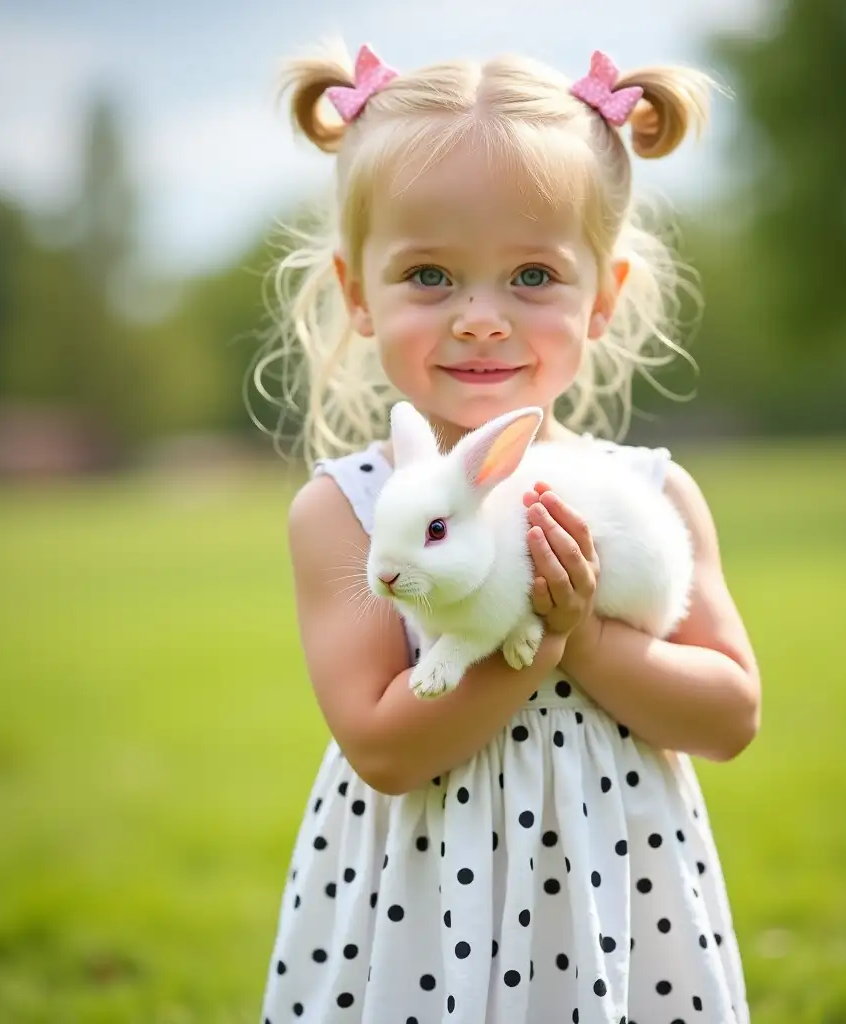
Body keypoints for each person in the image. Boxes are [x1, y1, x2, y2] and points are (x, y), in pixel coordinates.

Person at [257, 38, 761, 1024]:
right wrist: (531, 649)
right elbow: (385, 749)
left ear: (602, 298)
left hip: (614, 886)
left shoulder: (644, 494)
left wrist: (580, 631)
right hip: (419, 896)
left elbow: (729, 717)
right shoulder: (347, 510)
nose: (481, 318)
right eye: (430, 276)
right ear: (358, 294)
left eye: (531, 275)